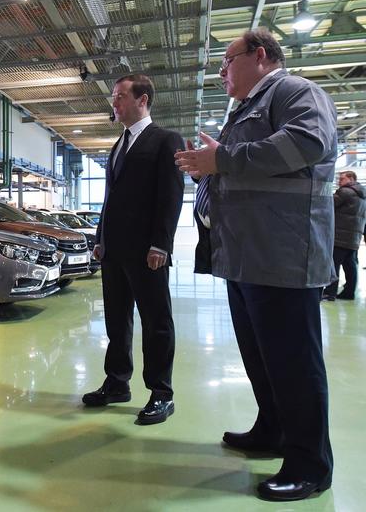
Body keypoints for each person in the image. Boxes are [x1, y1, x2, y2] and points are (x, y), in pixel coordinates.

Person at [174, 29, 336, 501]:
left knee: (294, 365)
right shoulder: (245, 109)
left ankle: (310, 465)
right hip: (247, 256)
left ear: (260, 56)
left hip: (282, 256)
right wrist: (214, 162)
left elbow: (307, 143)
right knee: (262, 358)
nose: (222, 71)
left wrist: (223, 158)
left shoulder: (294, 92)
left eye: (228, 61)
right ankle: (273, 429)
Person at [82, 74, 185, 426]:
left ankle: (161, 392)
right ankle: (117, 382)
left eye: (120, 96)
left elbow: (171, 197)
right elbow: (110, 200)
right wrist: (100, 239)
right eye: (114, 97)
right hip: (114, 251)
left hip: (147, 252)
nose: (115, 102)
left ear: (142, 100)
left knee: (156, 322)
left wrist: (161, 243)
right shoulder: (118, 145)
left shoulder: (165, 140)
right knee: (117, 321)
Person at [322, 171, 365, 300]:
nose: (339, 182)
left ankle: (330, 292)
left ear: (351, 179)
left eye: (342, 179)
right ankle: (349, 293)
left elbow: (327, 205)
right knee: (350, 265)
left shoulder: (345, 192)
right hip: (353, 238)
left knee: (333, 264)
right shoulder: (362, 195)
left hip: (340, 236)